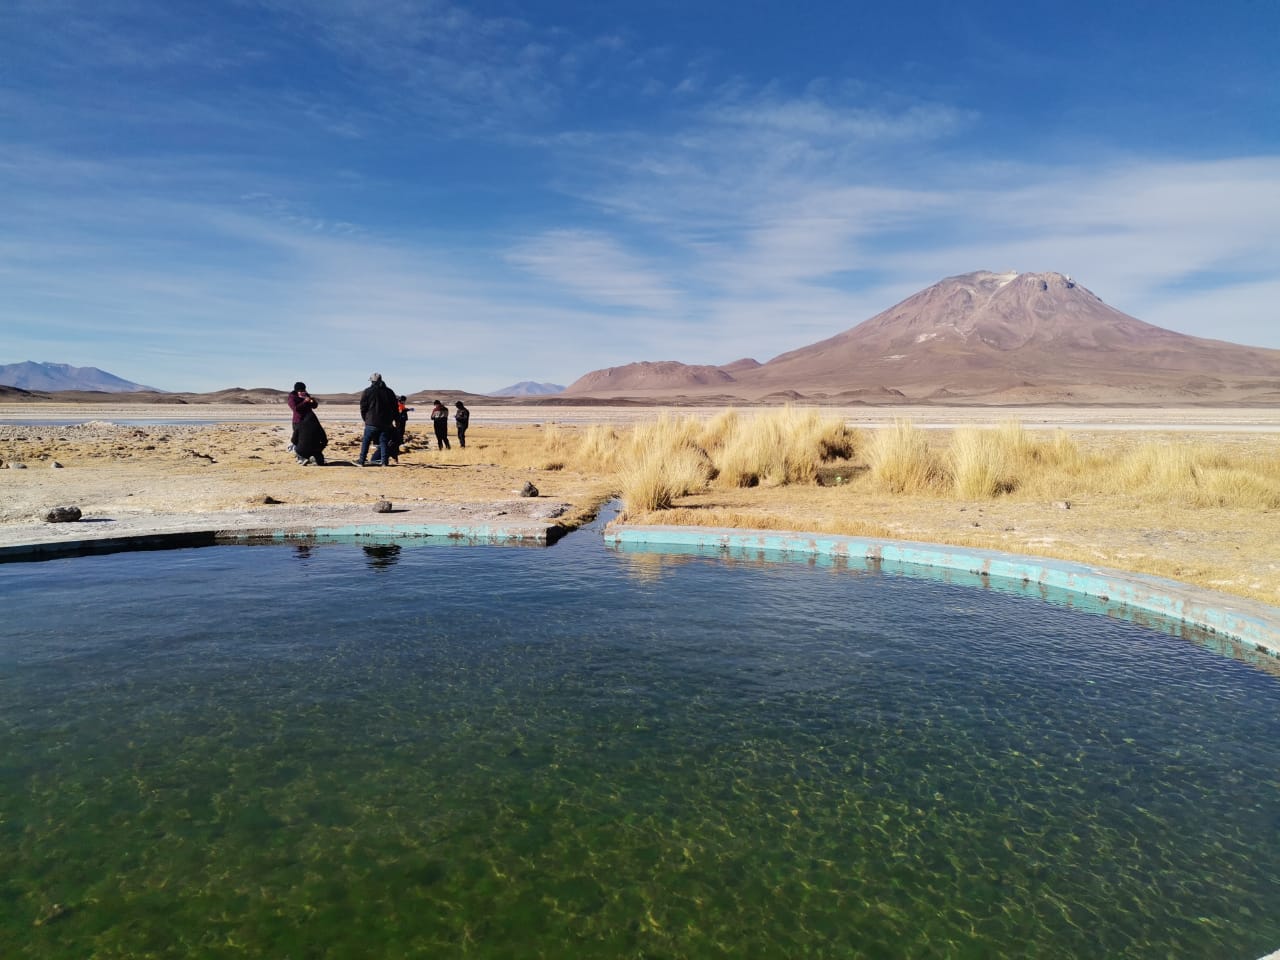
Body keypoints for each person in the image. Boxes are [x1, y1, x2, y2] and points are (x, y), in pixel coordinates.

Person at [358, 373, 398, 467]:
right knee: (383, 441)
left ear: (372, 381)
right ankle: (384, 462)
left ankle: (362, 461)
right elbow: (395, 408)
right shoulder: (389, 392)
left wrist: (366, 419)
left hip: (371, 422)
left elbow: (363, 408)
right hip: (386, 422)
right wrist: (396, 420)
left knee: (366, 441)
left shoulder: (367, 391)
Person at [286, 381, 318, 452]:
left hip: (308, 421)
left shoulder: (306, 395)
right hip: (298, 421)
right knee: (299, 439)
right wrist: (304, 402)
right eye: (300, 391)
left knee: (308, 439)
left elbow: (314, 406)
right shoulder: (292, 398)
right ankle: (297, 452)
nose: (302, 392)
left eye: (303, 390)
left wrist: (312, 401)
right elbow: (296, 409)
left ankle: (306, 453)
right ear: (296, 390)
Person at [392, 395, 414, 461]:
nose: (404, 402)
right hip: (400, 420)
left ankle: (400, 442)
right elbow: (401, 411)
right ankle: (400, 443)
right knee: (400, 432)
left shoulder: (401, 404)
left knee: (401, 431)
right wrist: (408, 410)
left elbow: (402, 410)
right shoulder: (399, 404)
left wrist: (407, 409)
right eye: (404, 400)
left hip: (401, 420)